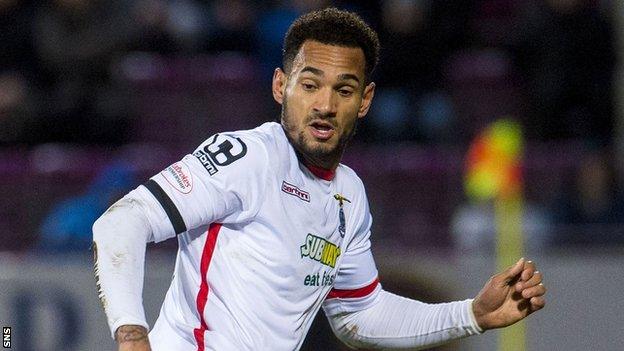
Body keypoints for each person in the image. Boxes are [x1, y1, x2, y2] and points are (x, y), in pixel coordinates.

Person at [92, 8, 546, 351]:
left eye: (343, 90)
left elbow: (359, 316)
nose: (325, 105)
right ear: (279, 86)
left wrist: (472, 314)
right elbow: (120, 223)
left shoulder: (348, 194)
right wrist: (132, 334)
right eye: (309, 85)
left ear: (365, 100)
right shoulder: (249, 157)